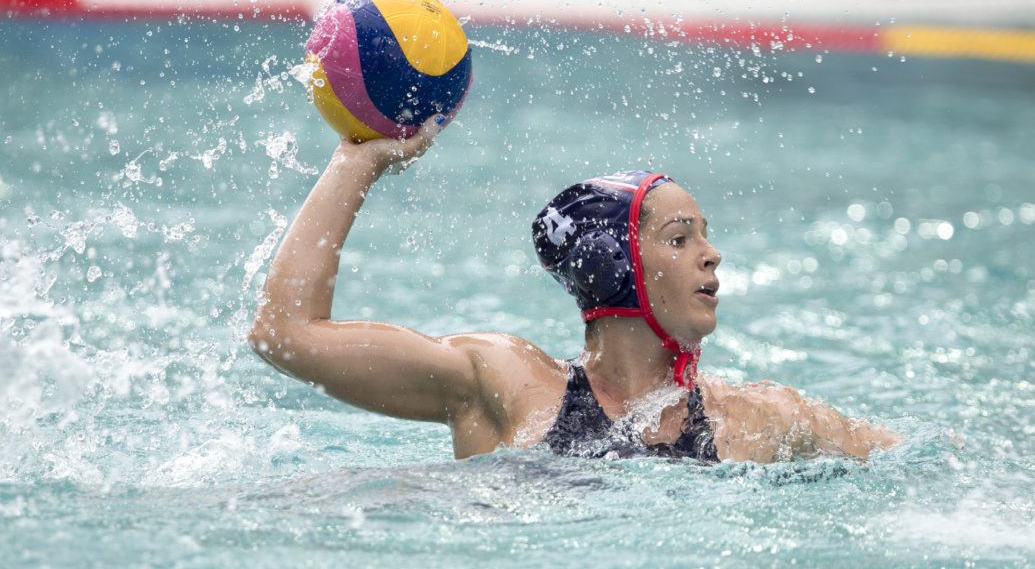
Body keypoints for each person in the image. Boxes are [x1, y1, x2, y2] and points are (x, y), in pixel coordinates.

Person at [249, 116, 899, 462]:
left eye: (705, 236)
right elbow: (283, 335)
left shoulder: (759, 420)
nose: (712, 254)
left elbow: (914, 463)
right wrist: (357, 161)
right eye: (681, 238)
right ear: (613, 263)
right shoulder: (507, 385)